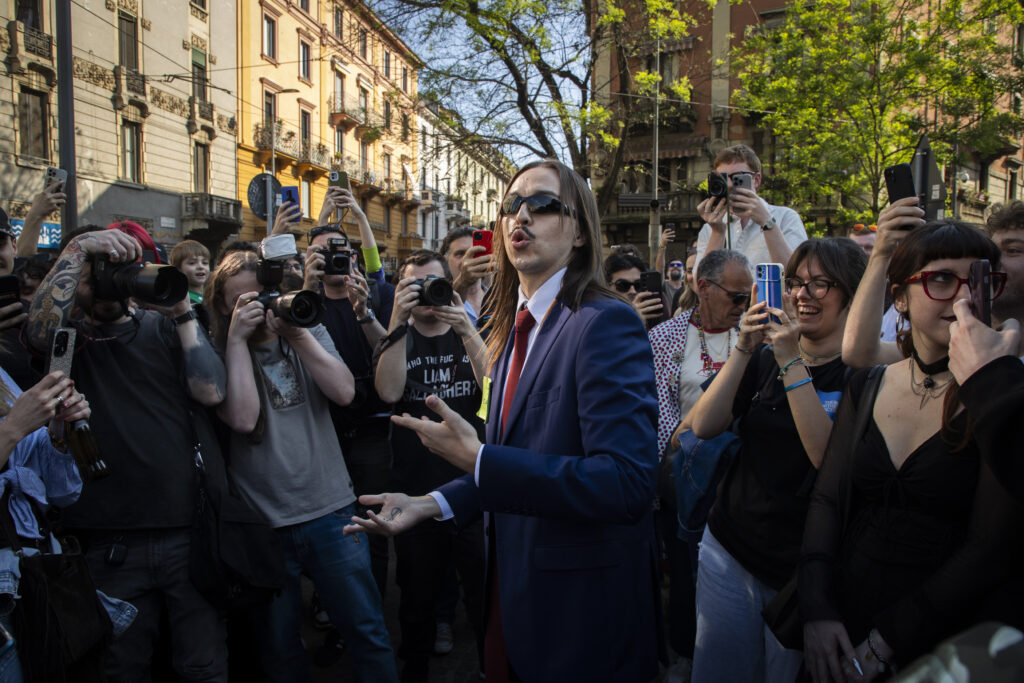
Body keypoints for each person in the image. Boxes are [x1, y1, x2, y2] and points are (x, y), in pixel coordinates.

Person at [346, 159, 662, 682]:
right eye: (510, 206)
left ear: (580, 230)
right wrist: (435, 502)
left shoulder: (604, 322)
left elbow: (627, 484)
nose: (520, 217)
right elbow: (522, 458)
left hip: (576, 614)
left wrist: (478, 458)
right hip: (512, 593)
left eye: (541, 205)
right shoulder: (513, 326)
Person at [800, 221, 1020, 682]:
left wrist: (885, 643)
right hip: (843, 613)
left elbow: (989, 545)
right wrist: (817, 608)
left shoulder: (1001, 399)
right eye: (941, 279)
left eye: (979, 278)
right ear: (900, 297)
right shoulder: (868, 382)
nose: (963, 297)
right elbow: (828, 498)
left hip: (939, 635)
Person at [24, 223, 230, 681]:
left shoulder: (162, 329)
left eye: (118, 270)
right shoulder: (66, 341)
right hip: (106, 543)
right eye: (97, 271)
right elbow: (38, 332)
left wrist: (180, 310)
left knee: (203, 667)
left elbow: (213, 391)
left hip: (186, 535)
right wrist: (78, 250)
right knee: (121, 669)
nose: (108, 281)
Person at [207, 250, 398, 683]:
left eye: (265, 296)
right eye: (243, 301)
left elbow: (345, 392)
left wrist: (296, 334)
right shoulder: (216, 352)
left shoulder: (307, 329)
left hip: (330, 510)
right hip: (264, 522)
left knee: (367, 631)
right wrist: (237, 340)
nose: (259, 307)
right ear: (222, 306)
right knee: (279, 648)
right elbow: (241, 418)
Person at [685, 237, 867, 682]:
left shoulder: (863, 375)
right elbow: (703, 425)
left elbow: (828, 461)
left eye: (820, 284)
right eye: (796, 283)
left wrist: (790, 361)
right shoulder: (764, 357)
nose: (803, 295)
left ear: (853, 293)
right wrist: (746, 348)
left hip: (800, 573)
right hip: (729, 550)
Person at [374, 249, 486, 682]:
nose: (423, 294)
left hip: (473, 488)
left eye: (431, 283)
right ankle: (414, 670)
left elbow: (496, 391)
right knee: (416, 597)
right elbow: (387, 392)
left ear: (450, 286)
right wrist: (396, 324)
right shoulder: (399, 336)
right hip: (415, 489)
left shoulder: (475, 330)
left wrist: (467, 328)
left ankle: (491, 668)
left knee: (481, 593)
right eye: (411, 285)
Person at [648, 248, 751, 681]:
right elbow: (658, 410)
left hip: (744, 475)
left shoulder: (755, 333)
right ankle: (685, 651)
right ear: (702, 287)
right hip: (684, 475)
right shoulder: (665, 336)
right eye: (736, 296)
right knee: (686, 569)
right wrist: (684, 449)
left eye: (749, 296)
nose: (744, 306)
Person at [302, 187, 396, 596]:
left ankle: (372, 602)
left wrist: (365, 313)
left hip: (373, 434)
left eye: (340, 250)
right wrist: (306, 285)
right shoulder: (303, 303)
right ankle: (332, 606)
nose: (334, 258)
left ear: (355, 257)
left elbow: (392, 354)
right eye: (322, 253)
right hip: (323, 433)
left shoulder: (378, 295)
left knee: (372, 526)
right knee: (329, 529)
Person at [694, 144, 807, 276]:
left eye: (737, 177)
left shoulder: (786, 217)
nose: (729, 185)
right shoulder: (710, 229)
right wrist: (718, 233)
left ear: (757, 180)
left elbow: (797, 275)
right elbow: (700, 286)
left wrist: (767, 222)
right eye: (722, 178)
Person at [441, 226, 492, 327]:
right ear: (446, 260)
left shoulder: (498, 298)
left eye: (475, 253)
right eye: (460, 254)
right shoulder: (438, 299)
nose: (467, 260)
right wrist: (463, 281)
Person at [604, 252, 666, 326]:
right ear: (607, 287)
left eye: (638, 285)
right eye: (623, 285)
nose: (633, 291)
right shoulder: (599, 317)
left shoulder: (651, 313)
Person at [170, 239, 211, 331]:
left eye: (205, 263)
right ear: (178, 269)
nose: (200, 266)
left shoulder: (212, 295)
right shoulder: (181, 301)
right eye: (192, 263)